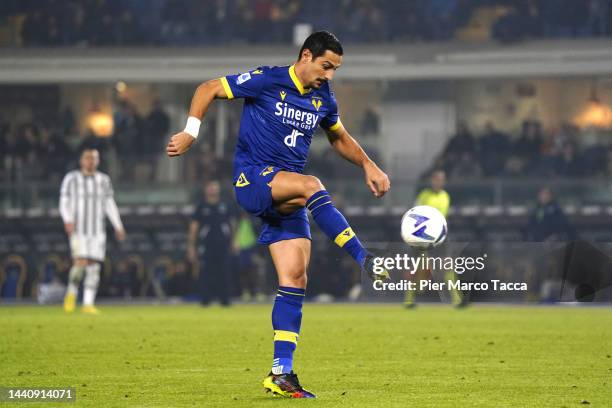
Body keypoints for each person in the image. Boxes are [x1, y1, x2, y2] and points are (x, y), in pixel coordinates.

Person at [166, 31, 390, 398]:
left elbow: (338, 137)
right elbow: (208, 88)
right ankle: (364, 259)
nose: (329, 75)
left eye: (335, 69)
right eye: (326, 66)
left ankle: (280, 373)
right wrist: (192, 132)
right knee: (312, 184)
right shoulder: (267, 79)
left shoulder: (323, 98)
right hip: (253, 180)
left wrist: (368, 164)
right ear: (306, 55)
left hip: (286, 194)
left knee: (296, 277)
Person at [60, 148, 126, 314]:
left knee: (94, 267)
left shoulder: (104, 180)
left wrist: (118, 225)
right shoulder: (71, 179)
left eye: (94, 158)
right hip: (78, 229)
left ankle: (88, 303)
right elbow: (64, 201)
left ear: (97, 161)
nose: (90, 161)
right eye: (88, 158)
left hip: (97, 231)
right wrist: (68, 220)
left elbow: (109, 204)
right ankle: (71, 295)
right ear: (81, 160)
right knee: (80, 262)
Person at [405, 170, 463, 308]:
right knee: (417, 268)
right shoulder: (424, 195)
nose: (438, 182)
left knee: (447, 266)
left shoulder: (445, 196)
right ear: (432, 180)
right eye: (436, 179)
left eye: (441, 180)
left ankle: (456, 300)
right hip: (423, 235)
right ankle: (409, 300)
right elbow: (415, 212)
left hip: (440, 234)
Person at [187, 180, 235, 306]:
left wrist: (234, 242)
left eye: (215, 187)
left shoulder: (226, 204)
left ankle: (225, 300)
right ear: (205, 190)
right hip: (206, 245)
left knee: (224, 272)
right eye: (210, 187)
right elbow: (194, 227)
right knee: (206, 272)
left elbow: (232, 224)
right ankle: (205, 299)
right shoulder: (201, 206)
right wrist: (191, 246)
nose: (213, 190)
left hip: (223, 244)